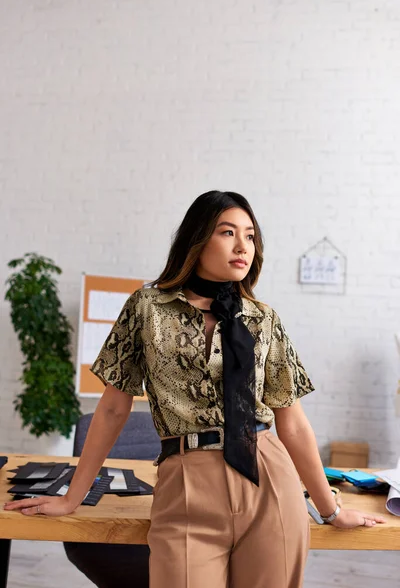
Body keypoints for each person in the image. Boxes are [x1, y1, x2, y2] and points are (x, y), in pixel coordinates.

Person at [4, 191, 385, 588]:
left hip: (270, 478)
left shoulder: (263, 318)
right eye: (227, 232)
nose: (243, 247)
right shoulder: (147, 307)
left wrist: (329, 509)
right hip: (186, 480)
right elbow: (114, 409)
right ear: (197, 239)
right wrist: (71, 497)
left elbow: (293, 424)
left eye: (251, 236)